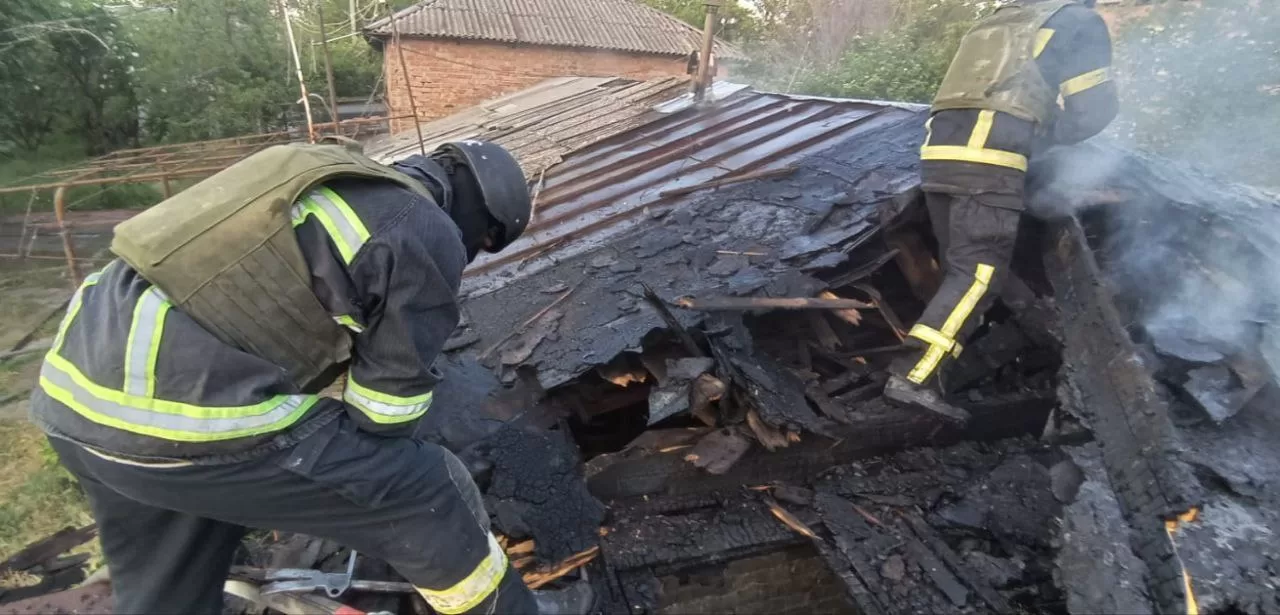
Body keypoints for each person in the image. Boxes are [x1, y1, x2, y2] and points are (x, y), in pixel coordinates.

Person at [29, 138, 593, 614]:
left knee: (167, 579)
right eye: (485, 245)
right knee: (421, 491)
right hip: (178, 412)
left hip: (74, 398)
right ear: (484, 221)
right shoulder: (425, 225)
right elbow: (383, 411)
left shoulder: (319, 168)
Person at [885, 0, 1119, 420]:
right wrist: (1043, 137)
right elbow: (1094, 111)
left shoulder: (999, 19)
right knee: (978, 275)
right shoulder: (1077, 20)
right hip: (990, 162)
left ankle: (941, 368)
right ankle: (912, 375)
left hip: (938, 156)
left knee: (962, 271)